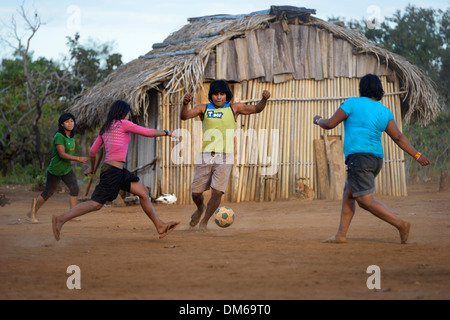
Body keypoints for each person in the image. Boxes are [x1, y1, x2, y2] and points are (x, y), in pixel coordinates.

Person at [313, 74, 430, 244]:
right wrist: (417, 155)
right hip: (375, 160)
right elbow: (398, 137)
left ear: (362, 88)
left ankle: (401, 224)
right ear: (379, 90)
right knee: (349, 193)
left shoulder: (352, 103)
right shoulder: (384, 111)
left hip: (359, 159)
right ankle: (341, 235)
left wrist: (318, 120)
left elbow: (330, 124)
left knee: (365, 201)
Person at [52, 100, 179, 240]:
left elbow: (93, 151)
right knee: (96, 204)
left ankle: (159, 225)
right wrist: (167, 132)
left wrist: (93, 168)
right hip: (113, 172)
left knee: (143, 191)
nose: (129, 115)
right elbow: (147, 132)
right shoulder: (123, 123)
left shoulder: (105, 128)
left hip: (116, 171)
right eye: (128, 113)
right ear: (123, 112)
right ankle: (61, 219)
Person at [181, 79, 271, 231]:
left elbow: (256, 109)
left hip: (225, 156)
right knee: (196, 193)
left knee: (217, 192)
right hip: (207, 155)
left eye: (222, 94)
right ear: (211, 95)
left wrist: (264, 99)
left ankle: (204, 223)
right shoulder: (203, 108)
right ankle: (200, 207)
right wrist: (184, 104)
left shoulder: (234, 108)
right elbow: (184, 116)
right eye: (215, 94)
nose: (218, 97)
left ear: (226, 95)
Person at [28, 113, 88, 223]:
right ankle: (32, 213)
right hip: (56, 170)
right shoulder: (59, 136)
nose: (70, 123)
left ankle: (71, 215)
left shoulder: (70, 137)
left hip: (66, 169)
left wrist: (71, 162)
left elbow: (69, 152)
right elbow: (62, 154)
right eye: (67, 121)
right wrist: (78, 159)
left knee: (74, 189)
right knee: (48, 193)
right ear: (62, 124)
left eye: (72, 121)